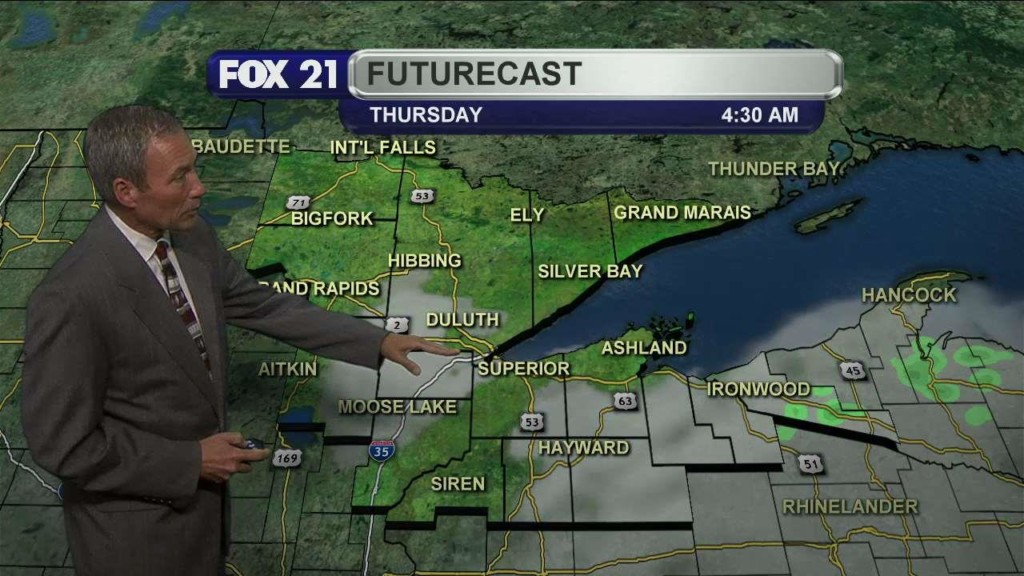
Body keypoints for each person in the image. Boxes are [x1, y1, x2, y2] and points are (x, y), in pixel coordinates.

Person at [20, 105, 457, 576]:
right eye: (180, 177)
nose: (199, 187)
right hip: (133, 542)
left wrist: (377, 341)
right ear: (126, 191)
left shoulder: (191, 241)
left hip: (202, 524)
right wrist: (189, 461)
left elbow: (262, 306)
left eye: (194, 168)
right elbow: (64, 446)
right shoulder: (72, 296)